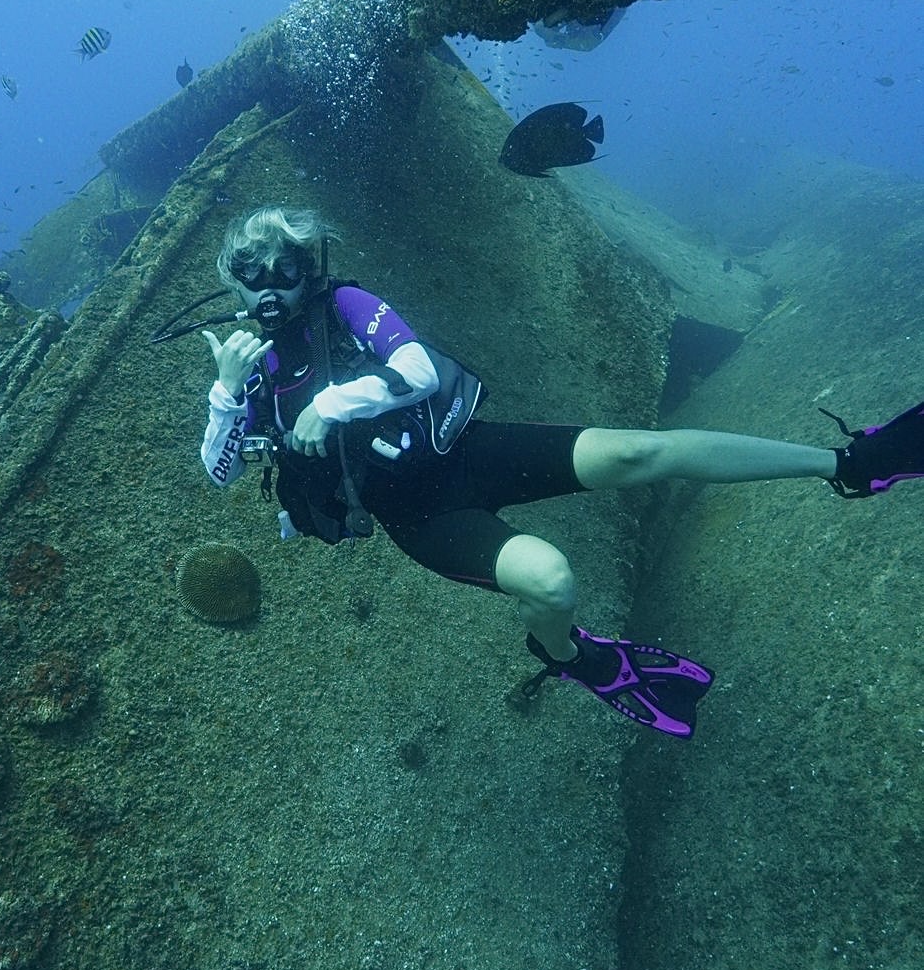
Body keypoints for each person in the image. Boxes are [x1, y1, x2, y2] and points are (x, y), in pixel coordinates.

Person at [199, 205, 924, 740]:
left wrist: (334, 401)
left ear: (309, 267)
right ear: (234, 286)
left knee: (643, 451)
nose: (270, 288)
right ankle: (575, 656)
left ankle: (852, 463)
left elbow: (417, 368)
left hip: (468, 450)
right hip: (422, 517)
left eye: (285, 270)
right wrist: (226, 394)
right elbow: (219, 472)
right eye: (251, 276)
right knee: (550, 580)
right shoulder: (252, 369)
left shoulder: (347, 306)